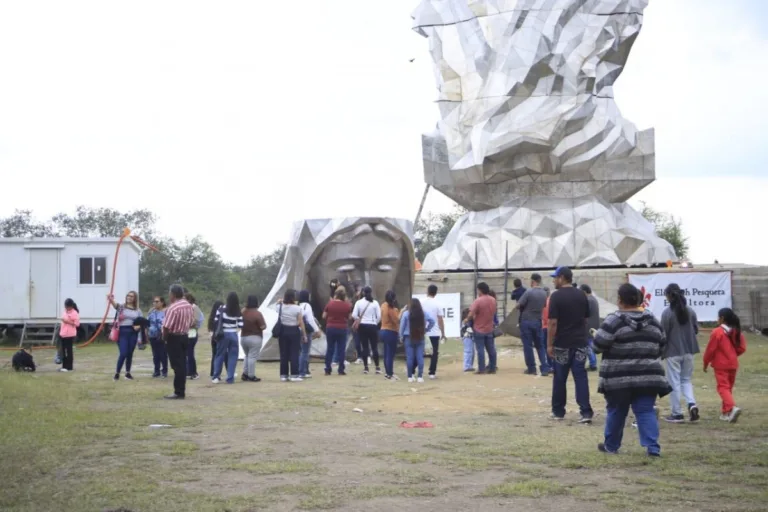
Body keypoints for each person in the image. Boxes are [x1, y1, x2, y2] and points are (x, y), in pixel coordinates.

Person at [593, 283, 670, 456]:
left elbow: (597, 346)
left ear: (620, 300)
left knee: (617, 411)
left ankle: (611, 447)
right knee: (645, 411)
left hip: (618, 379)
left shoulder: (613, 320)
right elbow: (662, 346)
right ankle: (653, 448)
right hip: (648, 377)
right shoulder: (653, 321)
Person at [547, 267, 593, 423]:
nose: (553, 281)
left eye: (555, 278)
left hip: (562, 343)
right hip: (580, 342)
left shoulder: (556, 297)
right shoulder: (581, 294)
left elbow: (552, 323)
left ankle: (558, 411)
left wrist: (549, 344)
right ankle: (585, 412)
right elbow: (586, 320)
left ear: (562, 278)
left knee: (560, 378)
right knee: (581, 377)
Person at [661, 283, 700, 423]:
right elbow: (695, 329)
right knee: (686, 380)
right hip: (689, 351)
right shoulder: (690, 311)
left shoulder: (667, 313)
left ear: (669, 296)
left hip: (673, 353)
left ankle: (677, 413)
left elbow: (663, 334)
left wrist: (660, 351)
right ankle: (691, 404)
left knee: (674, 382)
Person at [703, 308, 747, 423]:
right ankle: (726, 412)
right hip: (733, 364)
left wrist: (706, 362)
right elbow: (742, 348)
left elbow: (710, 349)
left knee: (722, 387)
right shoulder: (736, 331)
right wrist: (733, 354)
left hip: (721, 365)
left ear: (722, 318)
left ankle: (732, 407)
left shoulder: (717, 332)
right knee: (728, 388)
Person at [162, 284, 195, 399]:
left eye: (169, 293)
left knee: (177, 366)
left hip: (174, 337)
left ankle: (178, 391)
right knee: (182, 364)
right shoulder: (189, 305)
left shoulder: (173, 308)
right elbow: (192, 322)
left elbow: (166, 326)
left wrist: (164, 339)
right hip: (185, 336)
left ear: (173, 294)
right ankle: (181, 390)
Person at [516, 274, 551, 376]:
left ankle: (532, 368)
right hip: (538, 321)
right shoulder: (544, 293)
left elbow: (518, 305)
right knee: (540, 345)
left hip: (526, 321)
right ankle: (544, 367)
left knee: (528, 346)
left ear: (533, 281)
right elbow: (543, 306)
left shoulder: (529, 292)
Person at [108, 291, 143, 381]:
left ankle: (127, 373)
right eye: (128, 295)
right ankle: (117, 373)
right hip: (122, 332)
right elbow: (114, 304)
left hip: (133, 332)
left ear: (135, 298)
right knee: (123, 353)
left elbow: (142, 322)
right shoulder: (121, 307)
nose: (129, 297)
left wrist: (138, 326)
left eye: (132, 296)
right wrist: (111, 299)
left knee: (130, 354)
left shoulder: (137, 310)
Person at [399, 298, 436, 383]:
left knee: (410, 357)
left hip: (408, 337)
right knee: (420, 357)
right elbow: (432, 321)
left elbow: (402, 326)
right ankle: (420, 376)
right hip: (420, 336)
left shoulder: (406, 314)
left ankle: (410, 377)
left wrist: (401, 336)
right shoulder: (423, 313)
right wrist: (426, 329)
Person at [212, 292, 244, 384]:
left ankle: (216, 377)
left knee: (219, 355)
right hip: (233, 334)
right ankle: (230, 378)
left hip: (223, 334)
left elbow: (216, 321)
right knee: (233, 356)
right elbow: (241, 325)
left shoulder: (221, 308)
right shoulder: (238, 310)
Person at [277, 289, 308, 382]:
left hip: (283, 330)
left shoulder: (280, 307)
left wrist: (280, 301)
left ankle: (284, 375)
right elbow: (300, 322)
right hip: (294, 331)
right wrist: (304, 334)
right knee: (294, 353)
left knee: (283, 353)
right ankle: (294, 374)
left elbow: (278, 304)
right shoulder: (297, 308)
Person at [467, 282, 498, 374]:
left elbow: (471, 313)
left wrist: (466, 320)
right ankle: (492, 367)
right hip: (489, 327)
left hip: (479, 328)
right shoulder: (493, 300)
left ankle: (481, 369)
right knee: (491, 349)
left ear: (480, 290)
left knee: (480, 349)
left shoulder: (478, 301)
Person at [352, 286, 382, 375]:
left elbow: (353, 315)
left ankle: (366, 368)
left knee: (365, 347)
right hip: (372, 326)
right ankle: (377, 367)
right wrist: (375, 322)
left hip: (362, 326)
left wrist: (359, 320)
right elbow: (379, 316)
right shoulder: (375, 303)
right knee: (374, 347)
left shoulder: (359, 302)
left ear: (363, 293)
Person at [323, 287, 352, 376]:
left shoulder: (330, 304)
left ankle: (328, 369)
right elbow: (350, 317)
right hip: (342, 328)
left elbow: (324, 316)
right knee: (341, 349)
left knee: (330, 349)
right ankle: (341, 369)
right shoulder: (347, 305)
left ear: (336, 295)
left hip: (330, 327)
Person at [420, 285, 446, 379]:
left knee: (420, 351)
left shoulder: (421, 302)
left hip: (423, 331)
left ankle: (419, 371)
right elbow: (440, 319)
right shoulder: (438, 304)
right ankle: (432, 373)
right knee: (434, 353)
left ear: (427, 291)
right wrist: (443, 333)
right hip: (434, 332)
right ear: (436, 292)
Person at [241, 295, 267, 382]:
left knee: (247, 356)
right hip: (255, 337)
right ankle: (251, 375)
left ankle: (245, 373)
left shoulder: (243, 312)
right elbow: (263, 326)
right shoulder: (257, 314)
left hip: (243, 337)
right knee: (252, 357)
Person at [298, 290, 322, 379]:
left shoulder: (298, 305)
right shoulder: (306, 305)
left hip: (297, 330)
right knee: (305, 352)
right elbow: (310, 319)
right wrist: (317, 330)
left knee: (300, 352)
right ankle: (302, 371)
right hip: (306, 330)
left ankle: (300, 370)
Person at [380, 290, 401, 380]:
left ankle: (388, 372)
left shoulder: (383, 305)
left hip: (383, 330)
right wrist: (401, 311)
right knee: (390, 354)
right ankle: (389, 373)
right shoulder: (392, 309)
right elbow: (396, 320)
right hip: (391, 331)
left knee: (386, 353)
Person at [580, 284, 600, 372]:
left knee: (589, 345)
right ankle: (593, 363)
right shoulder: (593, 299)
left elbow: (584, 313)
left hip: (589, 325)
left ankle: (593, 364)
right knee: (590, 343)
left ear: (584, 292)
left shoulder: (588, 300)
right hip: (594, 324)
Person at [185, 293, 204, 380]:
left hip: (192, 332)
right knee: (187, 353)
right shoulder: (187, 308)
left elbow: (196, 321)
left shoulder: (194, 307)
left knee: (190, 352)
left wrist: (185, 324)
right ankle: (188, 371)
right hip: (186, 332)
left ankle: (194, 372)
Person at [148, 297, 168, 378]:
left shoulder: (166, 312)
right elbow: (147, 323)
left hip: (163, 335)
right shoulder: (152, 312)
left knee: (163, 354)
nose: (155, 303)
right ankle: (156, 371)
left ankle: (164, 371)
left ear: (162, 302)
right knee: (155, 354)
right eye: (154, 302)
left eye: (157, 301)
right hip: (153, 335)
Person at [58, 298, 80, 372]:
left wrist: (68, 321)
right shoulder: (64, 312)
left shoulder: (75, 313)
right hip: (63, 333)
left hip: (70, 334)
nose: (66, 308)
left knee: (69, 350)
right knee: (63, 351)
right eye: (65, 306)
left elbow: (77, 324)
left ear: (71, 306)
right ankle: (64, 366)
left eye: (67, 306)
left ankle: (69, 367)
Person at [207, 300, 224, 378]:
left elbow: (210, 330)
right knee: (219, 355)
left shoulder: (211, 318)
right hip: (220, 337)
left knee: (214, 355)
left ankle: (212, 372)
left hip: (213, 337)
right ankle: (217, 373)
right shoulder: (221, 316)